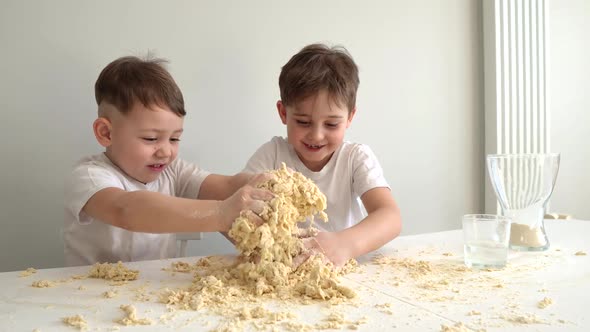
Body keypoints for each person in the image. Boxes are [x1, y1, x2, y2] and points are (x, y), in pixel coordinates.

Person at [64, 55, 273, 266]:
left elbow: (226, 186)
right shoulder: (89, 178)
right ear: (106, 133)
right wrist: (220, 213)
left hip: (154, 290)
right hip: (90, 291)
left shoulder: (173, 171)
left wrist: (264, 185)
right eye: (151, 139)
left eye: (174, 138)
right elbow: (125, 210)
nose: (165, 152)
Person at [243, 43, 402, 267]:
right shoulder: (271, 155)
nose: (316, 135)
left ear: (350, 117)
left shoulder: (355, 158)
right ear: (283, 113)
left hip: (345, 272)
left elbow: (390, 217)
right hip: (285, 270)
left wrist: (343, 244)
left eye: (331, 124)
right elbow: (239, 207)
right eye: (303, 122)